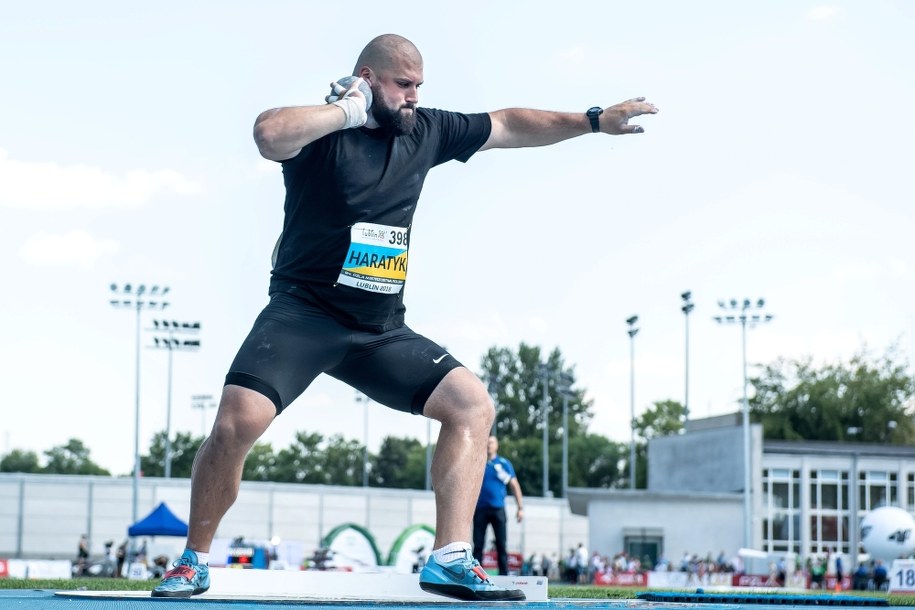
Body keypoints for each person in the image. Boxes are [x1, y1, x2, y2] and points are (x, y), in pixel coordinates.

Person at [151, 33, 657, 601]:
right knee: (234, 424)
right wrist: (344, 111)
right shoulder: (324, 132)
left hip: (380, 329)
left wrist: (593, 120)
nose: (414, 96)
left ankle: (450, 557)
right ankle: (194, 560)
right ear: (368, 79)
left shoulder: (427, 130)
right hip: (304, 315)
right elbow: (267, 134)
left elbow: (510, 124)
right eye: (403, 84)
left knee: (472, 405)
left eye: (419, 85)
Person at [472, 436, 524, 576]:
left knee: (501, 544)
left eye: (492, 442)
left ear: (497, 446)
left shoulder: (503, 464)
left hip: (498, 509)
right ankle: (477, 575)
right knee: (478, 545)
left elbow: (514, 485)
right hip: (480, 509)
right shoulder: (478, 462)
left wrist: (520, 508)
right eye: (487, 442)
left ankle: (504, 575)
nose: (489, 445)